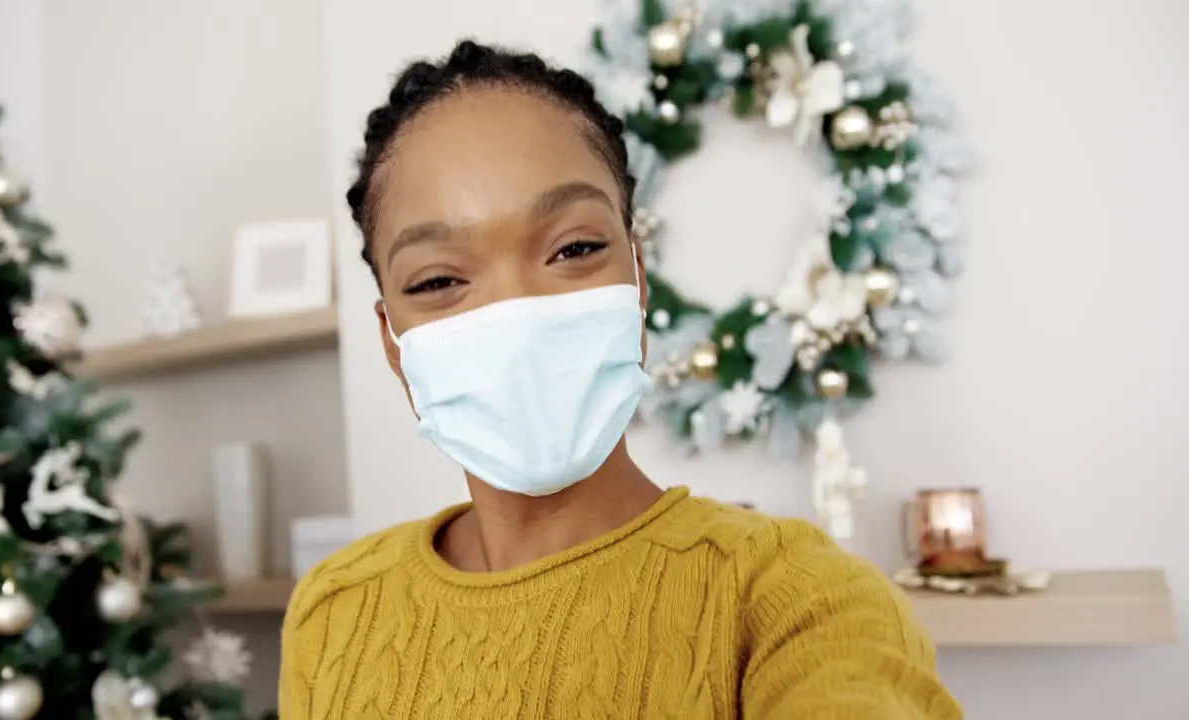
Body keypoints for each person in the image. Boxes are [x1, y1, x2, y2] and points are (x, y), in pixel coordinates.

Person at [279, 39, 962, 719]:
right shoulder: (334, 609)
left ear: (636, 283)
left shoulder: (799, 599)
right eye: (438, 279)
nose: (516, 314)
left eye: (573, 249)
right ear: (393, 344)